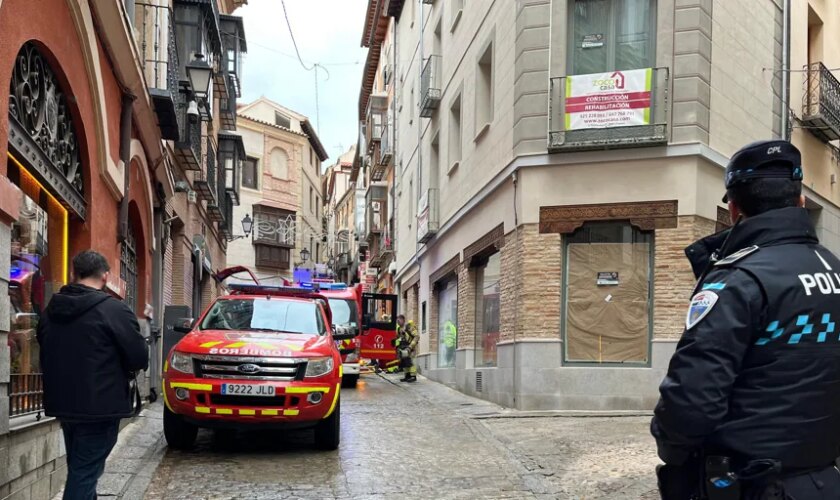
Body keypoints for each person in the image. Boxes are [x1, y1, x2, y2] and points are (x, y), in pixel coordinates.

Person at [651, 140, 840, 500]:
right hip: (823, 480)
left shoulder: (738, 279)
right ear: (800, 200)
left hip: (751, 482)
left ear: (735, 208)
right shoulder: (834, 268)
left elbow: (693, 399)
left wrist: (673, 451)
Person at [37, 250, 149, 500]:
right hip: (101, 405)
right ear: (106, 276)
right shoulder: (114, 310)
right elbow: (139, 357)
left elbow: (43, 348)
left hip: (64, 404)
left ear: (72, 273)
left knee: (81, 468)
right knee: (84, 473)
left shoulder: (50, 311)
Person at [395, 314, 418, 382]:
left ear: (403, 320)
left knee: (410, 361)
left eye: (399, 320)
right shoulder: (399, 329)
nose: (398, 322)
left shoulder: (409, 327)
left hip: (410, 347)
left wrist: (411, 346)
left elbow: (416, 336)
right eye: (397, 320)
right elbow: (398, 337)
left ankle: (413, 376)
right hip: (403, 347)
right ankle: (407, 376)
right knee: (405, 362)